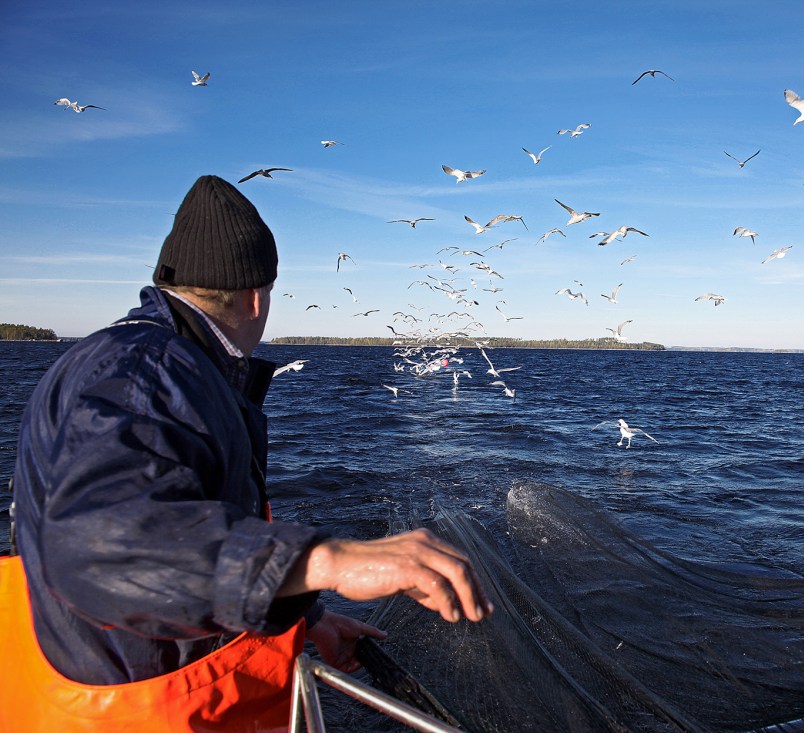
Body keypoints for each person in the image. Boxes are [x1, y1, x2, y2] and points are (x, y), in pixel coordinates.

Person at [1, 175, 492, 731]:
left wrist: (305, 617)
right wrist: (327, 560)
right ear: (257, 295)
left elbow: (183, 524)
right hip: (136, 711)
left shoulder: (134, 359)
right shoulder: (149, 373)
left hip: (94, 688)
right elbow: (99, 546)